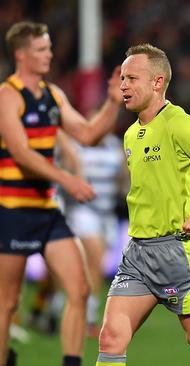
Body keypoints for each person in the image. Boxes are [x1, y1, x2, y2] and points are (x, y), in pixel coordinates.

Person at [95, 43, 190, 366]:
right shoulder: (132, 134)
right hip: (138, 253)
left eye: (132, 78)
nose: (123, 86)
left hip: (179, 250)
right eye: (122, 79)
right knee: (111, 338)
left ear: (157, 82)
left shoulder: (177, 123)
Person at [0, 21, 122, 366]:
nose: (49, 54)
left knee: (80, 290)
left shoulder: (53, 94)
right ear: (21, 54)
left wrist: (112, 105)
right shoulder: (7, 96)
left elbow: (86, 134)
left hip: (47, 211)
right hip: (12, 210)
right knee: (7, 302)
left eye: (49, 47)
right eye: (42, 49)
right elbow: (21, 153)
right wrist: (67, 180)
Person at [65, 133, 127, 337]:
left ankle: (51, 305)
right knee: (94, 262)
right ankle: (88, 318)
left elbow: (123, 181)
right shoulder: (76, 148)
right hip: (83, 211)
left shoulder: (115, 147)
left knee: (90, 267)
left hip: (106, 214)